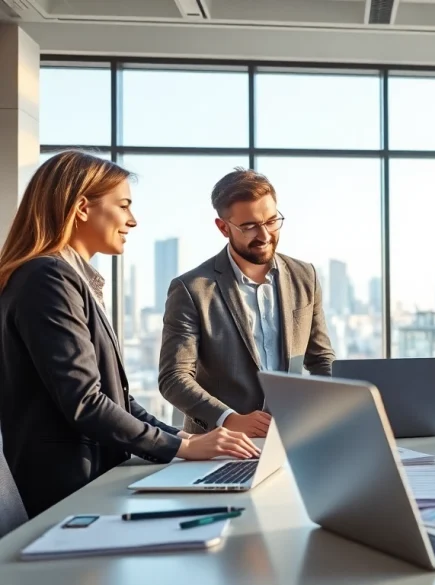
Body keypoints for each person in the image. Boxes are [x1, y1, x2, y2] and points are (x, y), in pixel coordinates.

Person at [0, 152, 259, 518]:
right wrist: (181, 449)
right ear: (82, 207)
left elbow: (116, 398)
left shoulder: (68, 279)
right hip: (72, 492)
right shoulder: (48, 278)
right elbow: (85, 403)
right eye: (123, 206)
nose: (132, 221)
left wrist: (185, 439)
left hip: (89, 481)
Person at [159, 168, 335, 437]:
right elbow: (174, 378)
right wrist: (228, 419)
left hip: (293, 434)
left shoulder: (304, 276)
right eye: (250, 226)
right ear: (223, 227)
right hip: (220, 443)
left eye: (272, 221)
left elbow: (321, 360)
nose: (264, 235)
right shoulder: (191, 289)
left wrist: (333, 412)